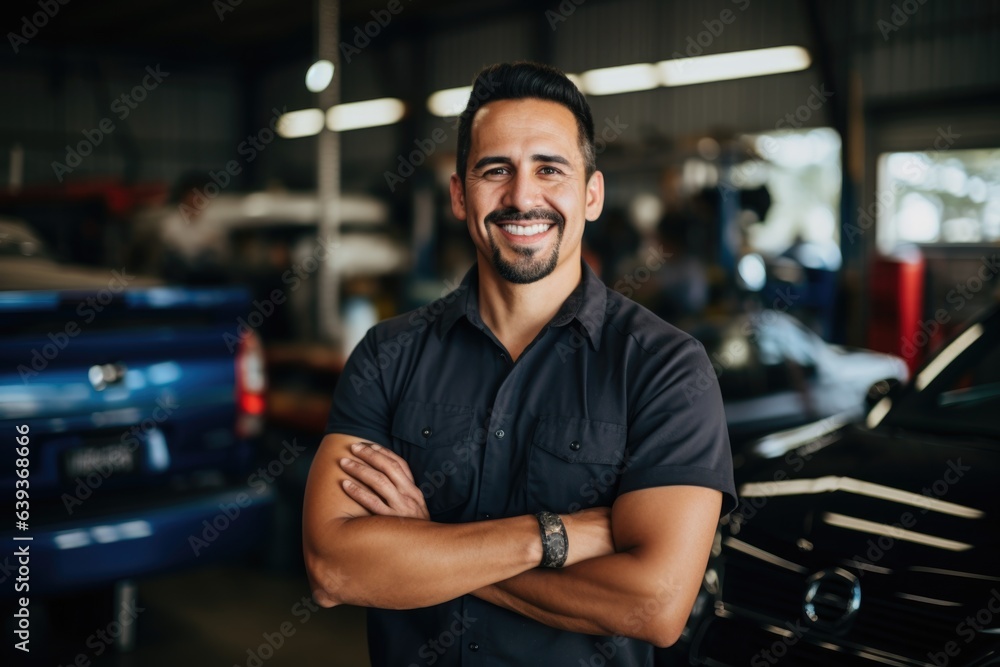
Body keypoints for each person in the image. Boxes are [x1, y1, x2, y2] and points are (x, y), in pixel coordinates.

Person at [303, 61, 736, 666]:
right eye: (495, 170)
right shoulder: (387, 355)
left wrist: (425, 549)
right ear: (460, 194)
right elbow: (334, 568)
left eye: (549, 169)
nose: (522, 196)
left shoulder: (665, 370)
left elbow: (654, 607)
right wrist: (557, 535)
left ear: (591, 195)